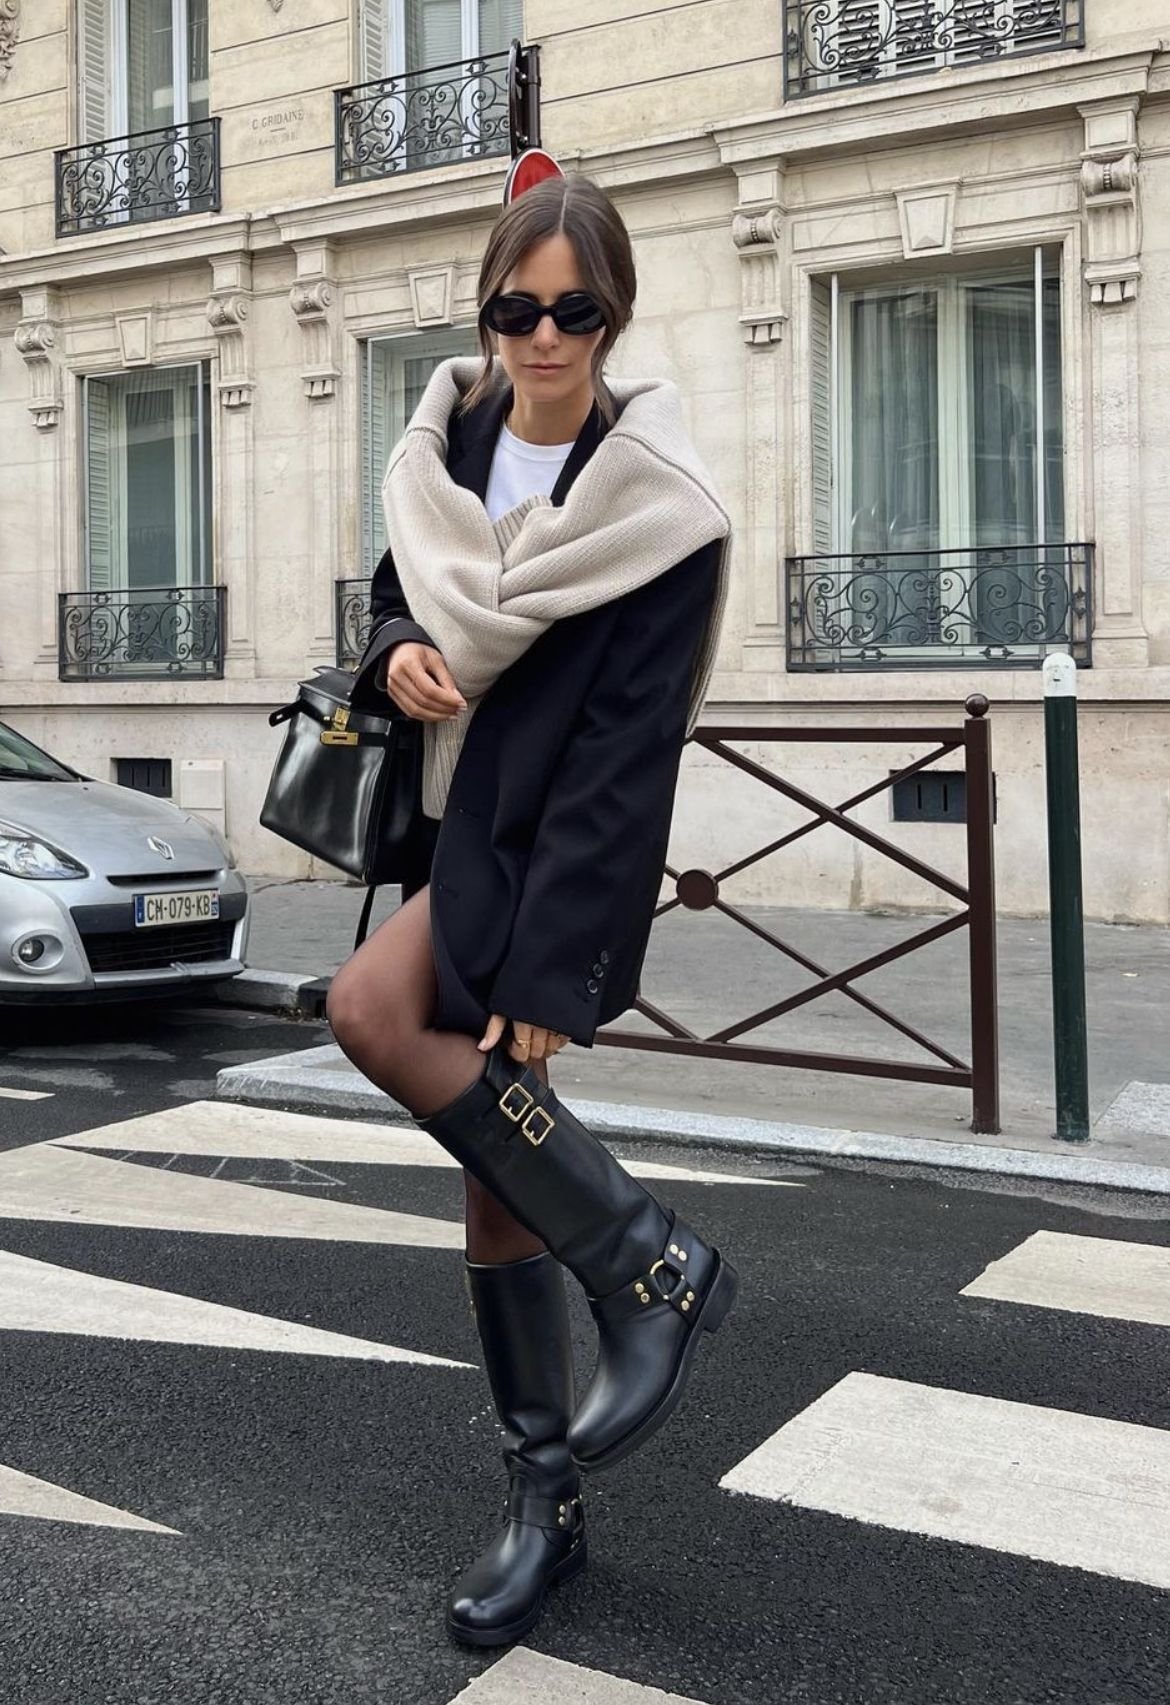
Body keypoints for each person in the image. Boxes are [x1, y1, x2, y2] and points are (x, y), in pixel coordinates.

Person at [326, 173, 737, 1650]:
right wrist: (392, 650)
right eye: (518, 308)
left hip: (542, 855)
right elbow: (392, 586)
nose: (545, 336)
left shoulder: (660, 506)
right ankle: (544, 1499)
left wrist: (555, 968)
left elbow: (627, 758)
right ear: (486, 313)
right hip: (445, 828)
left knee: (368, 1010)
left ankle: (648, 1261)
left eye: (575, 311)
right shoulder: (445, 444)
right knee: (495, 1169)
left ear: (613, 318)